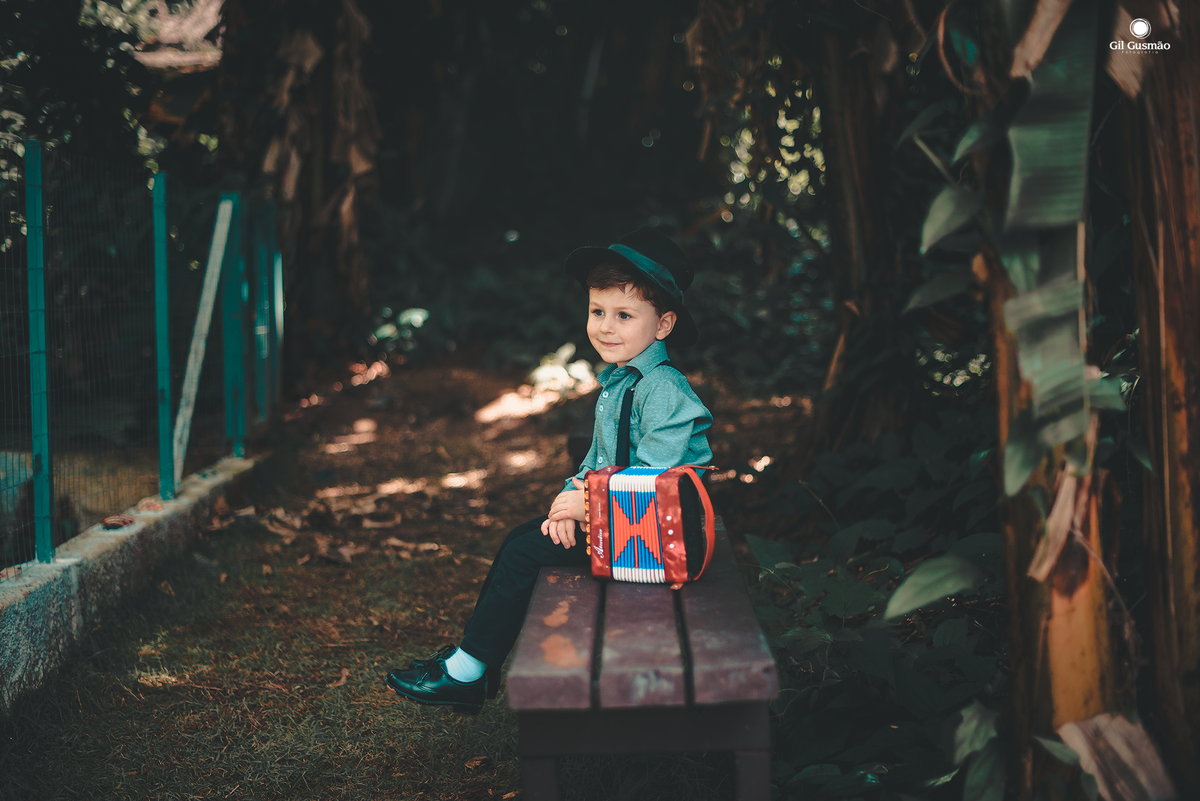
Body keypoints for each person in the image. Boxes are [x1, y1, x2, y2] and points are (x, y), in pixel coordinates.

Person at [384, 226, 713, 714]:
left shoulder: (662, 390)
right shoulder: (620, 381)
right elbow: (597, 461)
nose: (606, 327)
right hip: (624, 526)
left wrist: (586, 506)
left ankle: (468, 670)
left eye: (624, 315)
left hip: (662, 541)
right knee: (520, 538)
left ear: (663, 325)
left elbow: (654, 480)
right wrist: (567, 503)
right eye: (597, 312)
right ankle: (471, 662)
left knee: (523, 555)